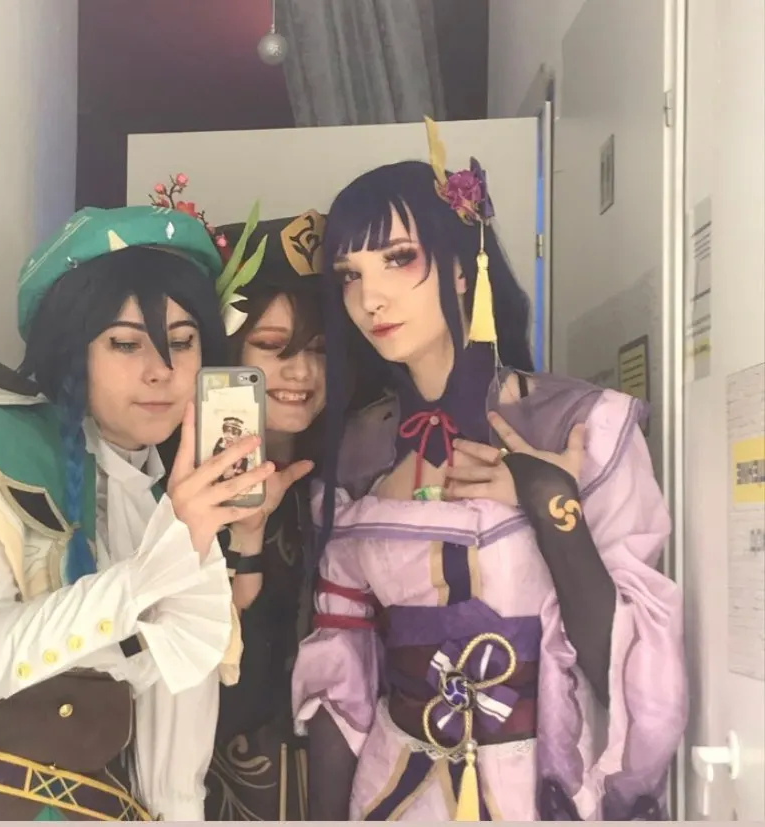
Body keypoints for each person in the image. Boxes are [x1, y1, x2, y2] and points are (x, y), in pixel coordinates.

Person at [291, 120, 688, 821]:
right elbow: (340, 663)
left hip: (539, 787)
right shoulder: (353, 450)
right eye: (350, 275)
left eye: (397, 259)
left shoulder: (580, 425)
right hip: (391, 793)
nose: (369, 298)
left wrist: (547, 498)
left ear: (460, 262)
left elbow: (635, 680)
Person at [0, 205, 276, 820]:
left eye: (182, 341)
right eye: (125, 343)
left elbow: (177, 756)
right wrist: (158, 563)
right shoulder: (0, 456)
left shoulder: (166, 497)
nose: (162, 370)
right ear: (72, 350)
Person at [203, 210, 329, 821]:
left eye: (319, 350)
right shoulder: (183, 488)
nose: (301, 371)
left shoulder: (350, 478)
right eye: (274, 347)